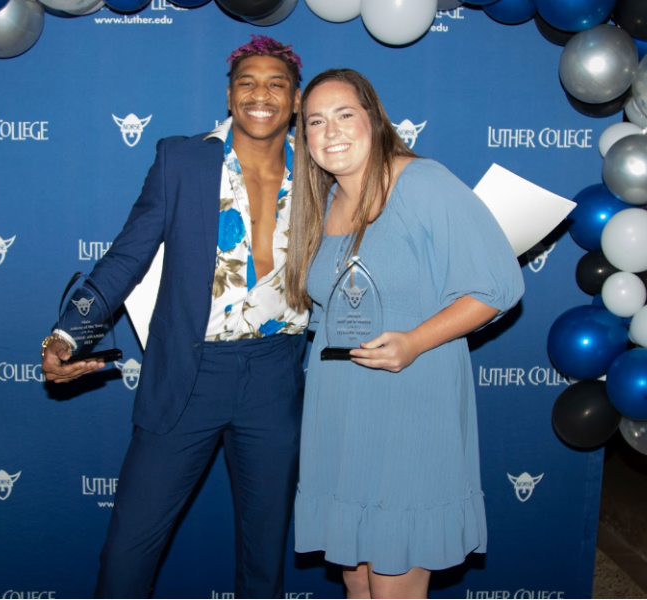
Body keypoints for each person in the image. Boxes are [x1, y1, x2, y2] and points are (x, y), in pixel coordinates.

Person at [40, 36, 308, 600]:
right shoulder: (182, 159)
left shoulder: (319, 173)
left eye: (276, 84)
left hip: (277, 376)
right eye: (248, 82)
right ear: (231, 94)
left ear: (297, 99)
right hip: (189, 375)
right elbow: (126, 257)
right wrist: (69, 333)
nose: (261, 94)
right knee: (128, 549)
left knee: (265, 555)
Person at [286, 69, 525, 599]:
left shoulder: (421, 181)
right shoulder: (325, 203)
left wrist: (414, 341)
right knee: (357, 578)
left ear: (373, 117)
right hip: (341, 410)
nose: (331, 132)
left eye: (345, 115)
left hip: (410, 403)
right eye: (315, 122)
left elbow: (499, 287)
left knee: (394, 580)